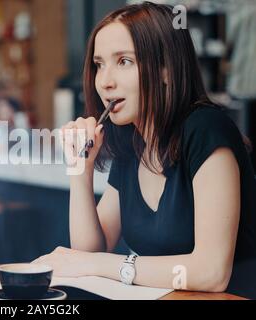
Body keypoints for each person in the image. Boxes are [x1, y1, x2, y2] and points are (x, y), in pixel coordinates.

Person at [32, 2, 256, 299]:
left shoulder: (206, 129)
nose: (105, 82)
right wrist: (80, 169)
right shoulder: (132, 143)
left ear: (166, 70)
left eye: (124, 61)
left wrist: (99, 264)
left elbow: (211, 272)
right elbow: (88, 254)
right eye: (99, 64)